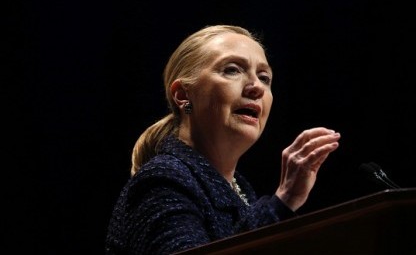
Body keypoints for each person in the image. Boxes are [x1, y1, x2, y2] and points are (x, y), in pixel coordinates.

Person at [105, 24, 341, 254]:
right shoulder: (162, 181)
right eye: (232, 70)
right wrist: (283, 200)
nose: (256, 87)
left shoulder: (242, 190)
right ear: (183, 95)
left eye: (264, 77)